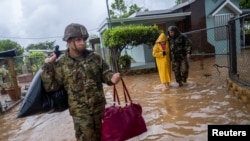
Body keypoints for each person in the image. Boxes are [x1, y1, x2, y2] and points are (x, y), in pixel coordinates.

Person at [40, 23, 121, 141]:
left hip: (100, 110)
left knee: (106, 137)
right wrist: (48, 65)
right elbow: (51, 86)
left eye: (84, 39)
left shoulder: (95, 57)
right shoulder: (62, 64)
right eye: (78, 40)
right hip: (80, 114)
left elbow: (105, 74)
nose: (83, 42)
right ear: (68, 41)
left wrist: (112, 78)